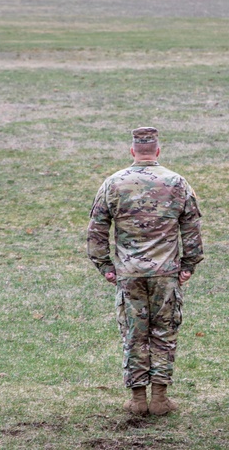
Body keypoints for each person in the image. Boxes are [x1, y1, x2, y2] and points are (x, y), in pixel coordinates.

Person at [87, 127, 203, 417]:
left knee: (134, 333)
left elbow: (97, 229)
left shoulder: (113, 183)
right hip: (166, 273)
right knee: (164, 332)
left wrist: (105, 266)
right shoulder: (176, 182)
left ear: (133, 152)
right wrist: (189, 264)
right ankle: (160, 397)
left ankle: (138, 398)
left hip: (129, 274)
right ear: (158, 151)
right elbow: (191, 227)